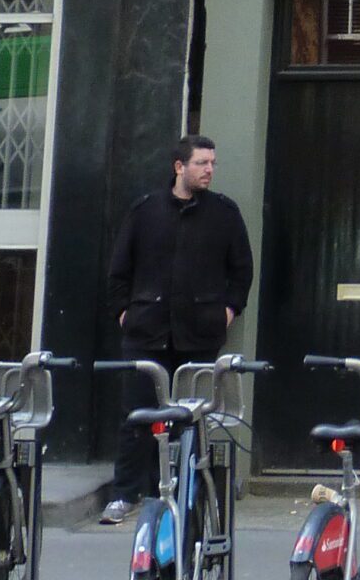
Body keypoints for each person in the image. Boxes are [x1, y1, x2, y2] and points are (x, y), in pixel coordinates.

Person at [101, 135, 254, 524]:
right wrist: (125, 314)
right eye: (202, 162)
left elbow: (241, 271)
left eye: (213, 163)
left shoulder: (224, 213)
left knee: (190, 418)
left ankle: (184, 491)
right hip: (145, 332)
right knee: (136, 416)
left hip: (199, 333)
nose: (209, 170)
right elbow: (119, 271)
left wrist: (228, 312)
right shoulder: (146, 211)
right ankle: (126, 494)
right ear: (179, 166)